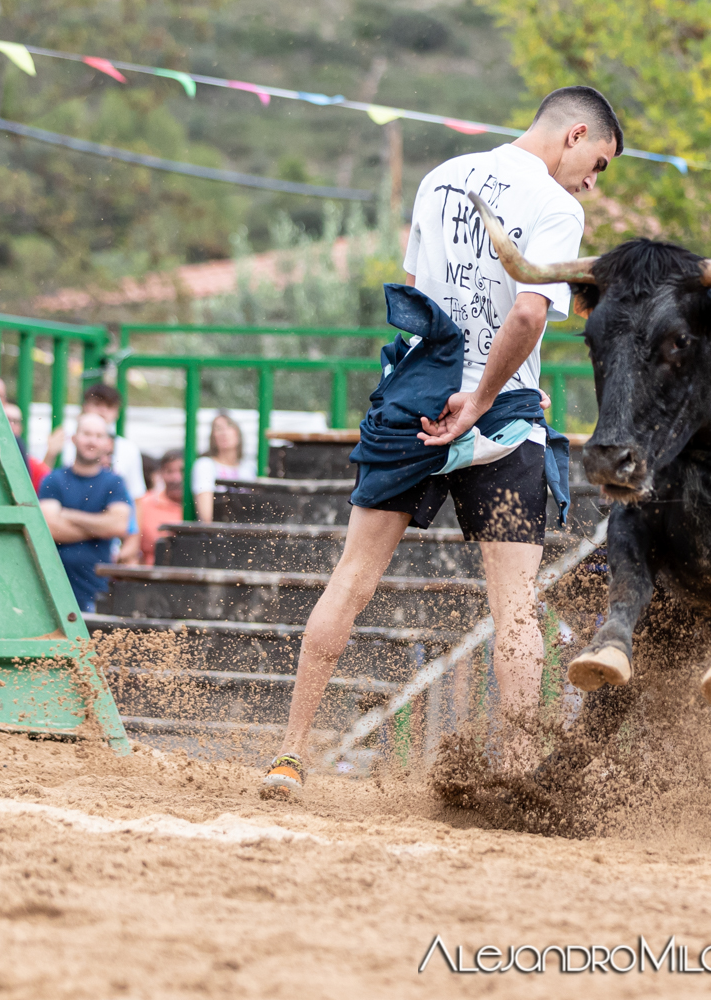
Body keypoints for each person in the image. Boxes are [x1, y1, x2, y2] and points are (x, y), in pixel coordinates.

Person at [260, 85, 623, 797]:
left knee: (352, 581)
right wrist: (488, 398)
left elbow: (410, 295)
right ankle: (517, 780)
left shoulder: (440, 177)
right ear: (576, 134)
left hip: (417, 401)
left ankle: (289, 756)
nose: (592, 181)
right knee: (514, 609)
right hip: (499, 415)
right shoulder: (558, 206)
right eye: (600, 163)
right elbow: (527, 313)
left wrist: (437, 390)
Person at [37, 413, 133, 613]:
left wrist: (69, 515)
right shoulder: (53, 480)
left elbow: (118, 526)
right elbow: (50, 528)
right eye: (86, 434)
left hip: (96, 591)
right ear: (74, 438)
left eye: (98, 436)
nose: (92, 441)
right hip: (52, 590)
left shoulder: (114, 483)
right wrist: (100, 526)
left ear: (107, 443)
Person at [46, 383, 146, 501]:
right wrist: (50, 454)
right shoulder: (63, 440)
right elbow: (44, 482)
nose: (103, 410)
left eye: (109, 406)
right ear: (85, 406)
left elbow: (137, 496)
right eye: (97, 404)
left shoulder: (128, 448)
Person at [191, 411, 257, 522]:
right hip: (218, 533)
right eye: (218, 428)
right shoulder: (205, 465)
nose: (224, 432)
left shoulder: (249, 468)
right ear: (213, 436)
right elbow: (206, 518)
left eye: (229, 426)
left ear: (238, 432)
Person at [137, 450, 186, 565]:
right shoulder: (145, 504)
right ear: (161, 474)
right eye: (169, 471)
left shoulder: (202, 507)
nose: (176, 478)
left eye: (182, 471)